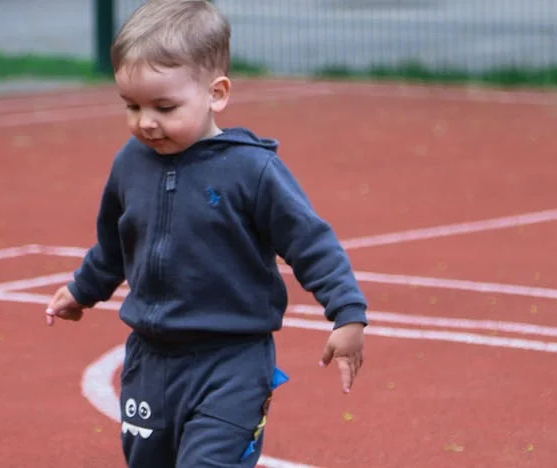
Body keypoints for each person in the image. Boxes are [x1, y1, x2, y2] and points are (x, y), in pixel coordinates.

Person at [45, 0, 368, 466]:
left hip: (232, 363)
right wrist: (83, 289)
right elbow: (115, 244)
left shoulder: (252, 170)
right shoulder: (129, 163)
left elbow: (311, 243)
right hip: (150, 362)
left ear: (216, 94)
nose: (145, 121)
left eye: (164, 107)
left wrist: (348, 314)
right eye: (131, 105)